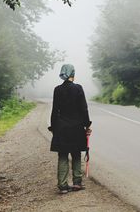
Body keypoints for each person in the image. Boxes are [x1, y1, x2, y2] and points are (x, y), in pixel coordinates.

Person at [49, 64, 92, 194]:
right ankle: (77, 183)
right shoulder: (78, 88)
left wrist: (53, 127)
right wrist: (87, 125)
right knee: (76, 153)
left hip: (61, 127)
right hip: (77, 127)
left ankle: (62, 185)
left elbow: (55, 110)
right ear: (73, 73)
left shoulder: (57, 90)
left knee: (62, 155)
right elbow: (83, 109)